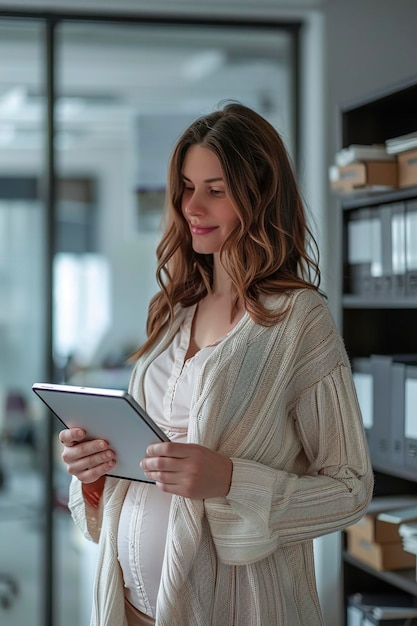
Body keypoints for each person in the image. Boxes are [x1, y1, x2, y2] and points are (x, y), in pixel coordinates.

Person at [60, 102, 373, 626]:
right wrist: (93, 473)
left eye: (216, 189)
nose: (192, 206)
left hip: (239, 607)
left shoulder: (298, 320)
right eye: (186, 186)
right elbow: (141, 468)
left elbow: (349, 490)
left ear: (259, 198)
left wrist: (230, 480)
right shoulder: (174, 311)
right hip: (129, 606)